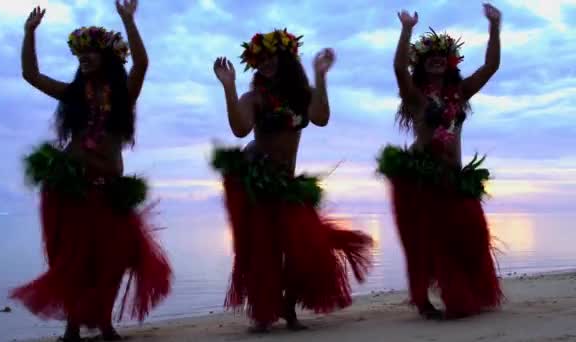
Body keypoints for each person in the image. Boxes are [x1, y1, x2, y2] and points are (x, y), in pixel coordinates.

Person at [10, 1, 171, 340]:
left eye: (91, 51)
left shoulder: (124, 96)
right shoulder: (73, 95)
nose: (83, 56)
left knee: (111, 260)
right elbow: (31, 75)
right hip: (71, 189)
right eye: (80, 53)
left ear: (108, 58)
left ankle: (104, 322)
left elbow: (141, 63)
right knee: (73, 261)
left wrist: (127, 20)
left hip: (110, 188)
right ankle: (72, 329)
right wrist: (29, 33)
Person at [212, 29, 374, 333]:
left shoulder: (302, 95)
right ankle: (263, 313)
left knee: (306, 250)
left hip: (288, 184)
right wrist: (229, 87)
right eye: (260, 60)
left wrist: (320, 76)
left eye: (272, 56)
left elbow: (321, 117)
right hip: (259, 184)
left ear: (286, 57)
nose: (266, 63)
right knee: (263, 253)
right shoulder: (255, 97)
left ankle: (288, 308)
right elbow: (240, 129)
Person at [376, 3, 503, 320]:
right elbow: (397, 70)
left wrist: (494, 27)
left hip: (454, 178)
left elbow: (491, 66)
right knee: (428, 243)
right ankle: (427, 301)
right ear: (422, 64)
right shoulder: (416, 97)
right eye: (429, 57)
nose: (435, 60)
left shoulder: (460, 93)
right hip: (423, 180)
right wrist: (406, 30)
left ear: (448, 63)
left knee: (471, 237)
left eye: (440, 57)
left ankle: (468, 290)